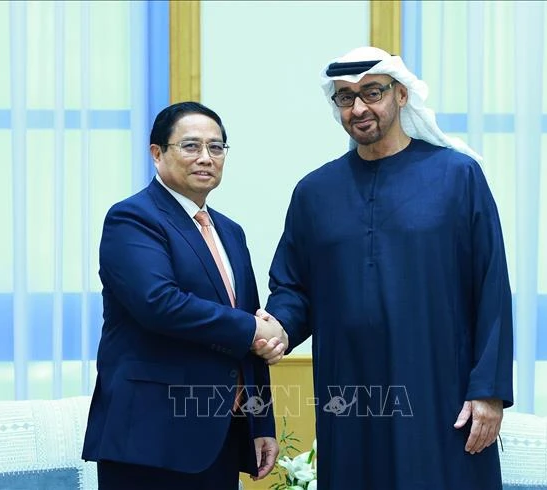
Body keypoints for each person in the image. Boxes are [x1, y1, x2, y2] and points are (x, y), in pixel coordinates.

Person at [259, 47, 514, 489]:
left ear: (400, 95)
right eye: (345, 98)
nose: (358, 108)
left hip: (440, 390)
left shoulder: (458, 176)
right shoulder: (314, 192)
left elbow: (491, 286)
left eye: (371, 93)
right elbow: (293, 286)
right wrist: (278, 326)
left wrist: (488, 391)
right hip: (350, 393)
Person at [82, 101, 286, 490]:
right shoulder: (133, 218)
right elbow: (159, 303)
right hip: (149, 438)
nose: (206, 158)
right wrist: (254, 330)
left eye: (216, 147)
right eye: (191, 146)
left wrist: (261, 423)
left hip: (220, 437)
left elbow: (248, 328)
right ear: (157, 153)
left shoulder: (230, 231)